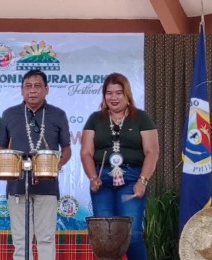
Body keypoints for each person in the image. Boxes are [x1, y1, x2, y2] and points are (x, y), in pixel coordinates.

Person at [80, 72, 159, 260]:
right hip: (103, 180)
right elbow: (86, 153)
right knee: (105, 237)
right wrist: (93, 178)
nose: (113, 97)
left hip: (132, 179)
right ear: (104, 95)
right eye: (109, 93)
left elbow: (152, 152)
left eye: (118, 93)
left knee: (132, 235)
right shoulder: (95, 119)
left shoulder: (141, 118)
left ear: (127, 95)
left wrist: (143, 181)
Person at [0, 69, 72, 260]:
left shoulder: (58, 114)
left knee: (46, 238)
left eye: (37, 86)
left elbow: (67, 149)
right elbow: (2, 147)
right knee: (21, 240)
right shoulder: (9, 114)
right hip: (16, 184)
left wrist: (58, 164)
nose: (32, 91)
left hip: (47, 185)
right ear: (22, 90)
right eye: (27, 86)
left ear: (46, 89)